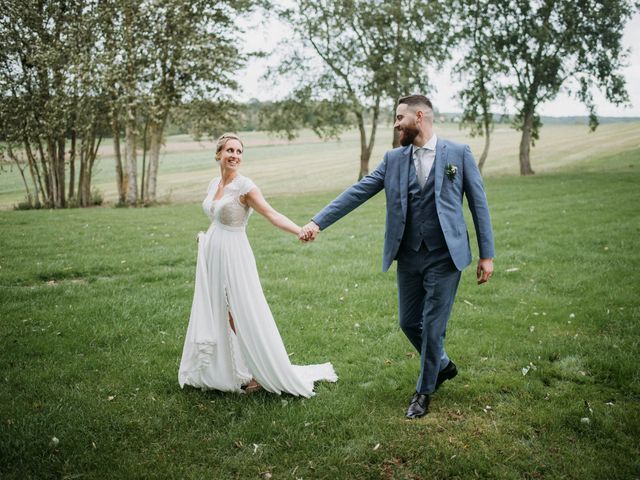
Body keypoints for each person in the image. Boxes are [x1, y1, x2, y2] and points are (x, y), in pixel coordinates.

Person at [300, 95, 494, 418]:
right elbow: (357, 192)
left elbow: (479, 205)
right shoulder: (393, 159)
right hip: (408, 255)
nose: (395, 124)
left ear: (419, 117)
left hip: (446, 256)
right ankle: (442, 364)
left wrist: (487, 255)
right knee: (408, 321)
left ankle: (423, 392)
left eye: (399, 117)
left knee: (433, 327)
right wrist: (318, 221)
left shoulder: (458, 154)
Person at [179, 133, 337, 397]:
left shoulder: (245, 187)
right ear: (218, 154)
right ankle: (230, 368)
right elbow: (216, 216)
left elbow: (272, 214)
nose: (235, 156)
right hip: (214, 251)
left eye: (239, 151)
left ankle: (259, 372)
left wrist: (299, 230)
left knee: (241, 311)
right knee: (220, 308)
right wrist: (205, 239)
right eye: (229, 150)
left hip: (235, 253)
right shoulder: (213, 184)